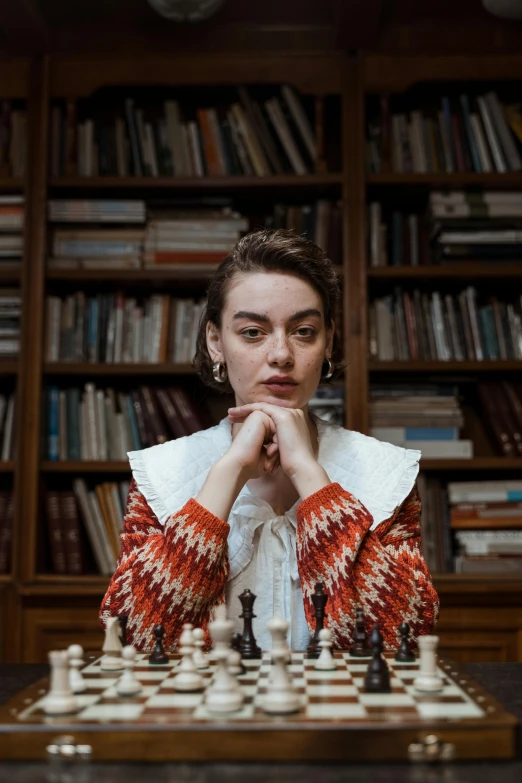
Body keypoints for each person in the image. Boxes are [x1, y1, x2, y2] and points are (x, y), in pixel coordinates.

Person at [100, 228, 439, 652]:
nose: (281, 354)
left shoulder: (388, 472)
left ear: (328, 341)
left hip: (342, 716)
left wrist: (311, 479)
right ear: (215, 341)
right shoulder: (161, 472)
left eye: (303, 331)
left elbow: (400, 635)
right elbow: (136, 638)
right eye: (253, 333)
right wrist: (226, 475)